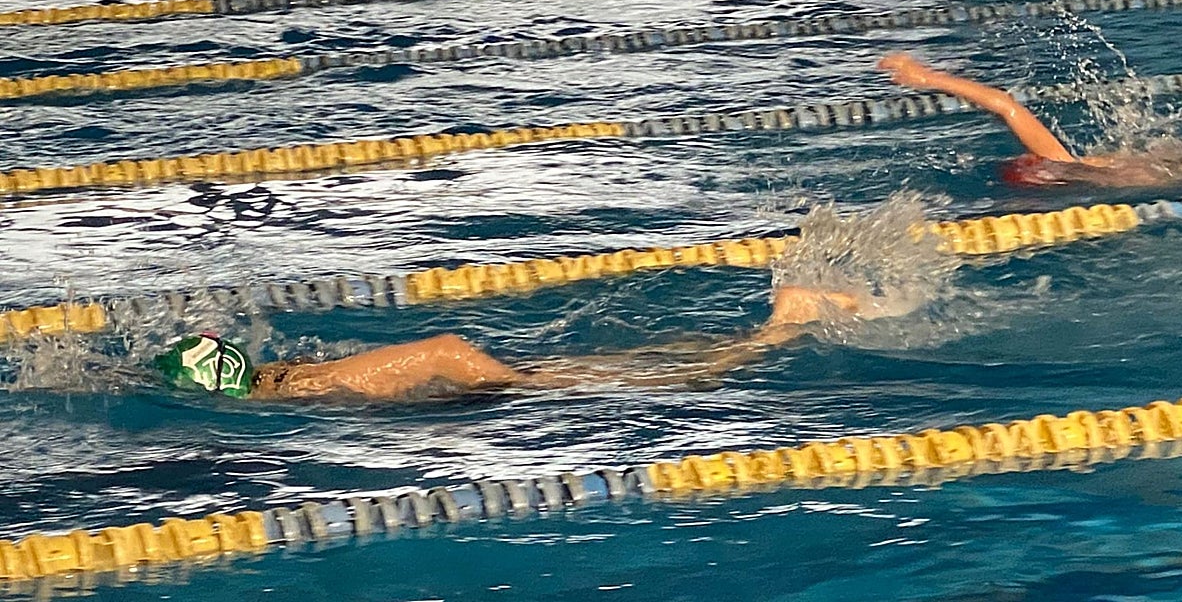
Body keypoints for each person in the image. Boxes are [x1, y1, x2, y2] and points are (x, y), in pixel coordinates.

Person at [154, 286, 864, 402]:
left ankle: (782, 326)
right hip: (485, 380)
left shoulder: (295, 389)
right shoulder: (280, 374)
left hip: (482, 381)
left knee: (676, 384)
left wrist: (504, 389)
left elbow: (439, 350)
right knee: (632, 366)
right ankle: (778, 322)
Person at [879, 52, 1182, 188]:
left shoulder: (1068, 166)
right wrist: (928, 78)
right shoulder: (1076, 168)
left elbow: (1006, 108)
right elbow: (1005, 109)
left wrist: (929, 79)